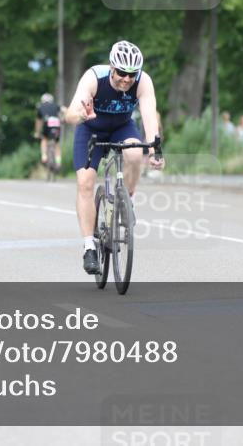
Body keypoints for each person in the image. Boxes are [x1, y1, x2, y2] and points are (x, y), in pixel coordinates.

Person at [64, 40, 165, 274]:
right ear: (112, 67)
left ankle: (126, 200)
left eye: (131, 74)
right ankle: (89, 246)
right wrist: (81, 115)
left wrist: (155, 149)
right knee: (85, 183)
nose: (127, 79)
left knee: (134, 153)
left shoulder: (143, 81)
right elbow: (69, 114)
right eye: (122, 73)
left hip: (122, 127)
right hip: (91, 128)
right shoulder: (93, 78)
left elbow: (149, 117)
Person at [34, 93, 65, 168]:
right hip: (56, 124)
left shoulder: (40, 107)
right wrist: (63, 118)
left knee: (44, 139)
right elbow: (65, 110)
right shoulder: (56, 106)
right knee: (56, 143)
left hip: (46, 123)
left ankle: (44, 156)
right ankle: (58, 162)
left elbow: (38, 122)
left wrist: (37, 132)